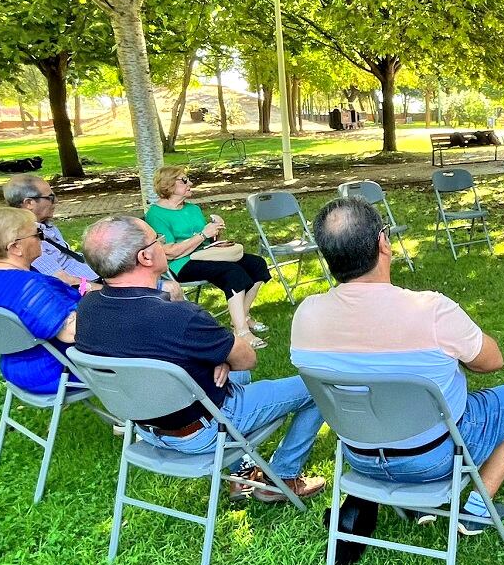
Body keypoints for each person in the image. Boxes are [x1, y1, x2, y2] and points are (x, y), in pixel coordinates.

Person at [291, 197, 504, 534]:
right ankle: (478, 512)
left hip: (359, 456)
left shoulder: (305, 316)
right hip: (433, 458)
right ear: (383, 243)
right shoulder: (432, 310)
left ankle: (412, 503)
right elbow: (491, 361)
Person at [75, 215, 326, 502]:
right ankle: (283, 476)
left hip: (146, 427)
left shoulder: (88, 309)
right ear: (145, 257)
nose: (163, 243)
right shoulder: (177, 317)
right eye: (158, 238)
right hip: (201, 430)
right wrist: (222, 352)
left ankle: (241, 472)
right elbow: (247, 358)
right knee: (316, 385)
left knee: (237, 376)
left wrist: (219, 359)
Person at [145, 165, 271, 347]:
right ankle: (242, 331)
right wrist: (203, 234)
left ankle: (242, 316)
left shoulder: (193, 209)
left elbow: (204, 240)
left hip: (205, 254)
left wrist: (215, 231)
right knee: (232, 272)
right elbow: (169, 251)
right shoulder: (156, 215)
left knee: (257, 264)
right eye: (184, 180)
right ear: (169, 185)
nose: (190, 183)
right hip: (180, 264)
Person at [3, 173, 182, 300]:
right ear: (29, 203)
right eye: (50, 197)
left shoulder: (45, 226)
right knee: (169, 288)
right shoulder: (27, 239)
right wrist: (105, 289)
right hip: (90, 291)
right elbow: (65, 282)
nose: (56, 201)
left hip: (99, 278)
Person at [0, 206, 79, 394]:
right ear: (15, 247)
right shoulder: (30, 287)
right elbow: (71, 334)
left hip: (16, 368)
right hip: (56, 371)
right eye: (37, 235)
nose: (42, 240)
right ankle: (136, 417)